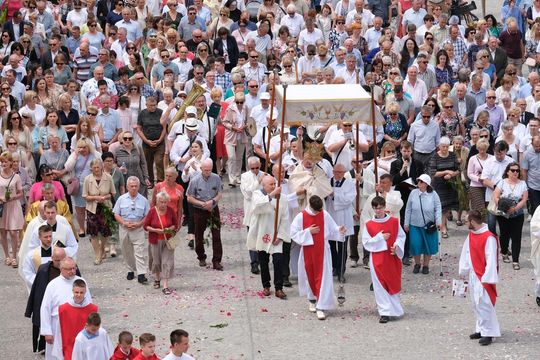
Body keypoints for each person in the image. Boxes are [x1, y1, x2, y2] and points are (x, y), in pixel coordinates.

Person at [290, 195, 347, 320]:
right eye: (316, 211)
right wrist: (308, 231)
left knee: (323, 278)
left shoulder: (324, 214)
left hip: (323, 251)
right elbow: (293, 233)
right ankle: (312, 299)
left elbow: (332, 228)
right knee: (309, 275)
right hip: (308, 250)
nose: (318, 213)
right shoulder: (301, 216)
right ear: (310, 206)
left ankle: (321, 306)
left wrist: (340, 229)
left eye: (320, 210)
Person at [458, 210, 500, 346]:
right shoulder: (472, 234)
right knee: (475, 303)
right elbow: (466, 251)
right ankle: (481, 329)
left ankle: (489, 333)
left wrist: (487, 278)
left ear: (473, 222)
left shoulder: (489, 237)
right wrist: (464, 269)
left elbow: (491, 258)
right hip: (473, 273)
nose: (465, 223)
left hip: (483, 276)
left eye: (466, 220)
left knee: (484, 303)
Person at [362, 196, 406, 323]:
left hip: (392, 257)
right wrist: (380, 237)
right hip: (377, 259)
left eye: (380, 208)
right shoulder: (369, 224)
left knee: (392, 282)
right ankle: (384, 312)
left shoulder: (394, 221)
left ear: (384, 207)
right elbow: (366, 243)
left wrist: (397, 246)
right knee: (380, 285)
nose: (378, 211)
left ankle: (394, 310)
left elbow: (401, 236)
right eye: (375, 208)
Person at [247, 175, 289, 299]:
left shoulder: (283, 199)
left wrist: (280, 236)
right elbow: (258, 207)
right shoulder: (257, 195)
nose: (273, 186)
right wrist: (271, 196)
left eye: (274, 184)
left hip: (276, 235)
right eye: (270, 184)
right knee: (263, 261)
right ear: (263, 186)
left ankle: (279, 288)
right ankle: (266, 285)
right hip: (263, 233)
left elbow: (285, 219)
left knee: (278, 261)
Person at [40, 257, 91, 360]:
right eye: (69, 269)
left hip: (78, 324)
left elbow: (89, 303)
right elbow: (45, 308)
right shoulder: (53, 285)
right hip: (57, 325)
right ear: (61, 269)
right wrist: (47, 331)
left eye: (74, 268)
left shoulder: (80, 281)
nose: (72, 271)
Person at [25, 247, 67, 354]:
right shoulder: (44, 270)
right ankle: (43, 348)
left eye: (62, 260)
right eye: (57, 260)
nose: (60, 263)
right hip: (48, 304)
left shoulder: (71, 269)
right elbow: (36, 290)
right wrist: (30, 309)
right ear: (52, 258)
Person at [186, 159, 224, 270]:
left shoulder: (216, 178)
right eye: (205, 170)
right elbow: (189, 197)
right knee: (199, 235)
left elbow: (219, 193)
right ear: (201, 169)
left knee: (216, 235)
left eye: (209, 170)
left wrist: (212, 202)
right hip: (199, 209)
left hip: (212, 208)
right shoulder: (195, 180)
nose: (207, 172)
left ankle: (216, 260)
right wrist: (202, 204)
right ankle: (201, 256)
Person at [113, 176, 150, 284]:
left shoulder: (143, 200)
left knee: (140, 251)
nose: (134, 188)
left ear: (138, 187)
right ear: (127, 187)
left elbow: (147, 216)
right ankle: (130, 270)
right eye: (131, 186)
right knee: (126, 251)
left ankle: (141, 273)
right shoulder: (121, 199)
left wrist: (139, 224)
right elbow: (116, 213)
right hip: (124, 228)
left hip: (138, 228)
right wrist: (123, 222)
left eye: (136, 186)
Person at [404, 174, 442, 274]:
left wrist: (438, 221)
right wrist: (406, 223)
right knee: (415, 244)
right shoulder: (413, 193)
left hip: (429, 225)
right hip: (415, 224)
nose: (419, 183)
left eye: (421, 181)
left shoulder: (433, 194)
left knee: (428, 246)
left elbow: (438, 207)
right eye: (418, 181)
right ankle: (417, 264)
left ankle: (426, 265)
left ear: (426, 184)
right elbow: (408, 209)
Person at [493, 162, 528, 270]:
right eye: (513, 170)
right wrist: (505, 207)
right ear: (508, 172)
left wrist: (515, 209)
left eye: (517, 170)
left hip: (518, 214)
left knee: (516, 237)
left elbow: (524, 199)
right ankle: (504, 252)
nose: (515, 172)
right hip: (503, 214)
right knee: (504, 235)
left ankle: (515, 260)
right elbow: (496, 196)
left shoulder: (522, 184)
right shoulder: (502, 182)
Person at [325, 163, 356, 282]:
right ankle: (334, 267)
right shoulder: (327, 182)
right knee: (331, 245)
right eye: (335, 172)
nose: (337, 174)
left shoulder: (349, 184)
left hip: (343, 218)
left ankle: (341, 271)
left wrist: (334, 195)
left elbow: (349, 199)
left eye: (340, 172)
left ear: (344, 173)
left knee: (342, 246)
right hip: (331, 216)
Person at [144, 191, 179, 295]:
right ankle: (157, 278)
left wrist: (170, 228)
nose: (163, 204)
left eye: (165, 202)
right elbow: (146, 226)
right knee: (156, 261)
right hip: (155, 240)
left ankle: (165, 285)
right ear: (157, 201)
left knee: (166, 262)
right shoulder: (152, 211)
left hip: (168, 240)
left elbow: (175, 225)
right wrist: (155, 230)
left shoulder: (171, 211)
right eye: (161, 202)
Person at [82, 159, 116, 265]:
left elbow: (113, 193)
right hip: (92, 208)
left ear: (101, 167)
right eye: (94, 167)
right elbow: (84, 195)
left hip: (105, 207)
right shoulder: (88, 179)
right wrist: (95, 197)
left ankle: (102, 249)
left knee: (106, 231)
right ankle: (97, 255)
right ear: (91, 168)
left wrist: (104, 197)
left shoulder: (108, 177)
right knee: (93, 233)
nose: (96, 169)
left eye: (98, 167)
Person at [58, 279, 98, 360]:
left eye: (81, 292)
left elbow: (96, 329)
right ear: (72, 291)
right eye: (76, 292)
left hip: (87, 346)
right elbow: (58, 330)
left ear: (85, 292)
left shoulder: (93, 309)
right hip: (69, 347)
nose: (79, 295)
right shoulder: (63, 309)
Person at [428, 137, 460, 238]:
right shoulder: (435, 157)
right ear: (439, 146)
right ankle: (443, 228)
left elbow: (458, 170)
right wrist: (445, 172)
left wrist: (451, 175)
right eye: (443, 146)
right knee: (441, 207)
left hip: (450, 185)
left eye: (447, 146)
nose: (445, 148)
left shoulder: (452, 155)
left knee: (447, 208)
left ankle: (443, 224)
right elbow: (432, 173)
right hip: (438, 185)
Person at [240, 156, 266, 275]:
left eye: (257, 167)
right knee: (252, 236)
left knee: (262, 236)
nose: (255, 170)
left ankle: (262, 260)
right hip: (251, 211)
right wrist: (258, 182)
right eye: (253, 168)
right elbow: (248, 193)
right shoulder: (245, 176)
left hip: (263, 210)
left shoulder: (265, 174)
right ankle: (254, 262)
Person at [0, 151, 25, 268]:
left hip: (14, 205)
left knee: (14, 232)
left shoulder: (16, 176)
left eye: (5, 161)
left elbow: (20, 193)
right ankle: (7, 256)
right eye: (2, 162)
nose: (3, 163)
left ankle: (14, 256)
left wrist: (12, 197)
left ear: (10, 162)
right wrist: (1, 197)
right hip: (2, 206)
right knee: (3, 232)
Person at [21, 224, 54, 292]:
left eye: (50, 236)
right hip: (39, 287)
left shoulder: (59, 253)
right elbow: (27, 272)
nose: (49, 239)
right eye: (46, 237)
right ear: (39, 237)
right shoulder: (32, 255)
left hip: (55, 288)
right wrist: (40, 282)